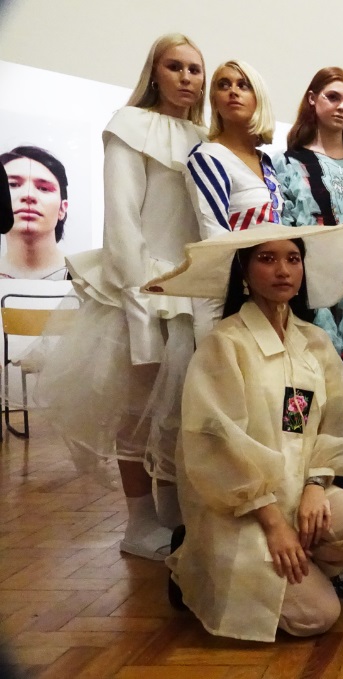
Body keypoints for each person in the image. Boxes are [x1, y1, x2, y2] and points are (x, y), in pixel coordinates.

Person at [152, 222, 343, 642]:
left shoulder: (314, 342)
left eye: (293, 259)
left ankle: (295, 568)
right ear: (244, 272)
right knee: (317, 617)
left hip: (299, 490)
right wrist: (274, 523)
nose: (283, 270)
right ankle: (196, 563)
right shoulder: (225, 344)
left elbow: (335, 421)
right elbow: (214, 443)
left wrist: (316, 484)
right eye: (267, 259)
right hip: (240, 505)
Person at [36, 33, 207, 560]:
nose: (186, 77)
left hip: (190, 290)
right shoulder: (130, 124)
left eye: (194, 68)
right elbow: (123, 219)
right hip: (142, 289)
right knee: (137, 412)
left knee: (176, 411)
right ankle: (139, 522)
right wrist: (139, 304)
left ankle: (173, 515)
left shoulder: (205, 136)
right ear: (154, 72)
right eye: (174, 66)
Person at [274, 66, 343, 374]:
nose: (342, 107)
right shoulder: (287, 162)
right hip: (308, 289)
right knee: (307, 375)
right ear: (312, 99)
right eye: (333, 97)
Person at [184, 59, 282, 338]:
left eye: (243, 85)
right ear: (214, 100)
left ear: (258, 97)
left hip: (267, 295)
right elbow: (215, 237)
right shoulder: (208, 157)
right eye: (223, 85)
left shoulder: (266, 162)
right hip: (225, 299)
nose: (233, 92)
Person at [0, 146, 69, 280]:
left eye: (43, 188)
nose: (28, 195)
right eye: (13, 184)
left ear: (62, 208)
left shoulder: (87, 279)